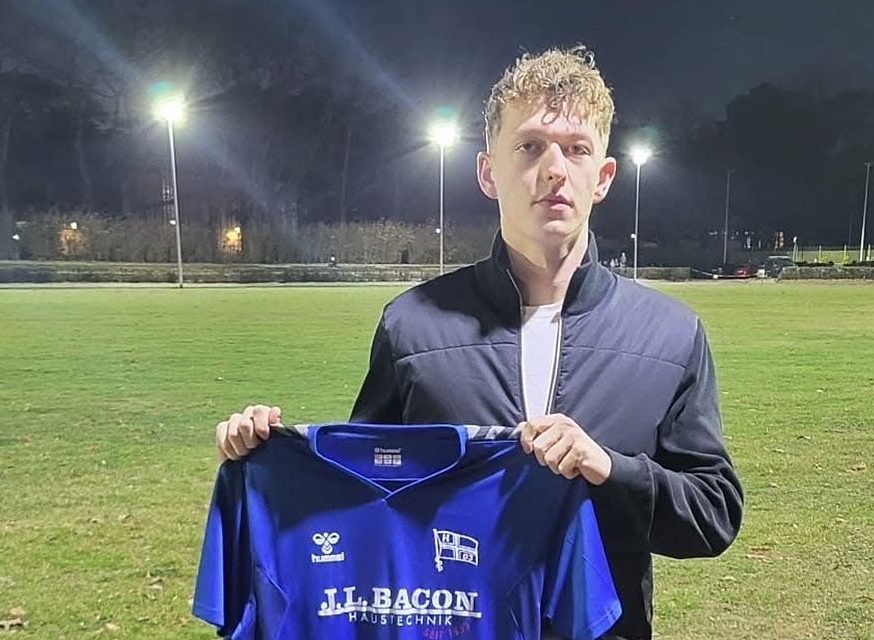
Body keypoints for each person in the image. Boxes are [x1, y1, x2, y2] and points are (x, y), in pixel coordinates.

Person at [214, 46, 743, 640]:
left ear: (603, 177)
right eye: (530, 146)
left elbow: (713, 514)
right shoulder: (412, 325)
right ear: (488, 172)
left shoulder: (670, 334)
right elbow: (365, 493)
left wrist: (608, 470)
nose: (554, 169)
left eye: (576, 149)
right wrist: (263, 455)